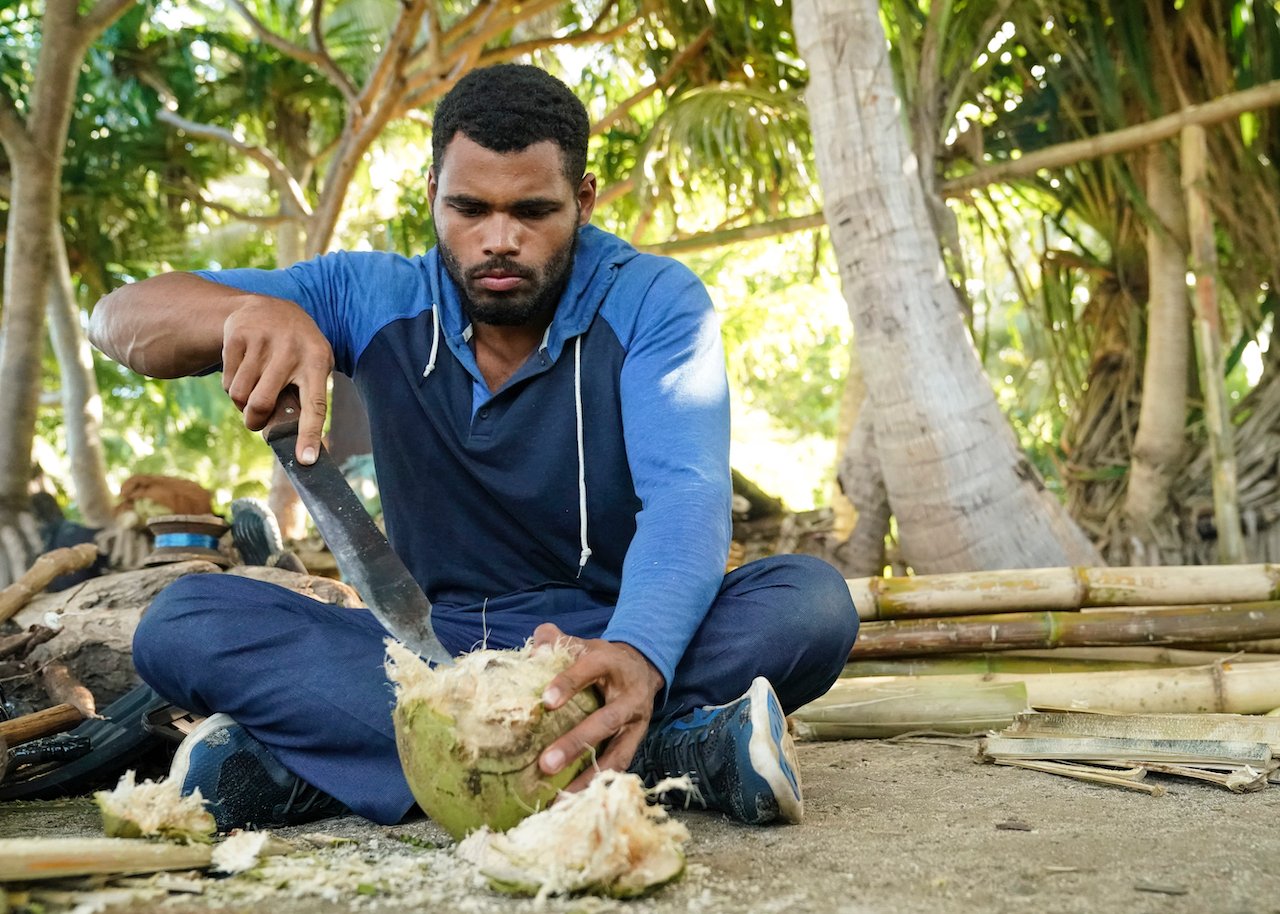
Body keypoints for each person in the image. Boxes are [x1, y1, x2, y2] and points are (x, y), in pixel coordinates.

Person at [89, 63, 858, 832]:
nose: (499, 240)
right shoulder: (370, 294)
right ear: (431, 193)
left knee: (811, 605)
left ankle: (333, 771)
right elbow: (120, 319)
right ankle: (669, 757)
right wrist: (246, 312)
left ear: (583, 201)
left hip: (607, 632)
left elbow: (687, 497)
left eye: (533, 211)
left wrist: (638, 652)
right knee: (184, 623)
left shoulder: (654, 299)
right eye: (469, 208)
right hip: (433, 654)